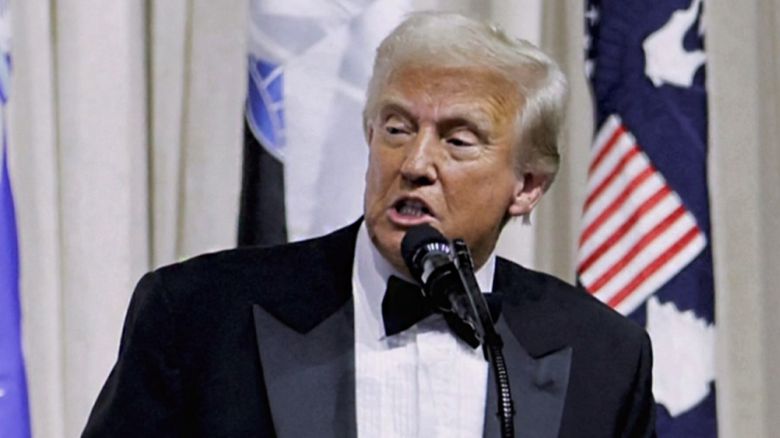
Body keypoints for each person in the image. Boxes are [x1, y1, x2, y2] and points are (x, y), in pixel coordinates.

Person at [83, 12, 655, 438]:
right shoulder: (198, 316)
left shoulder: (603, 356)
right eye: (396, 129)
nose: (415, 163)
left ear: (527, 186)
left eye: (458, 141)